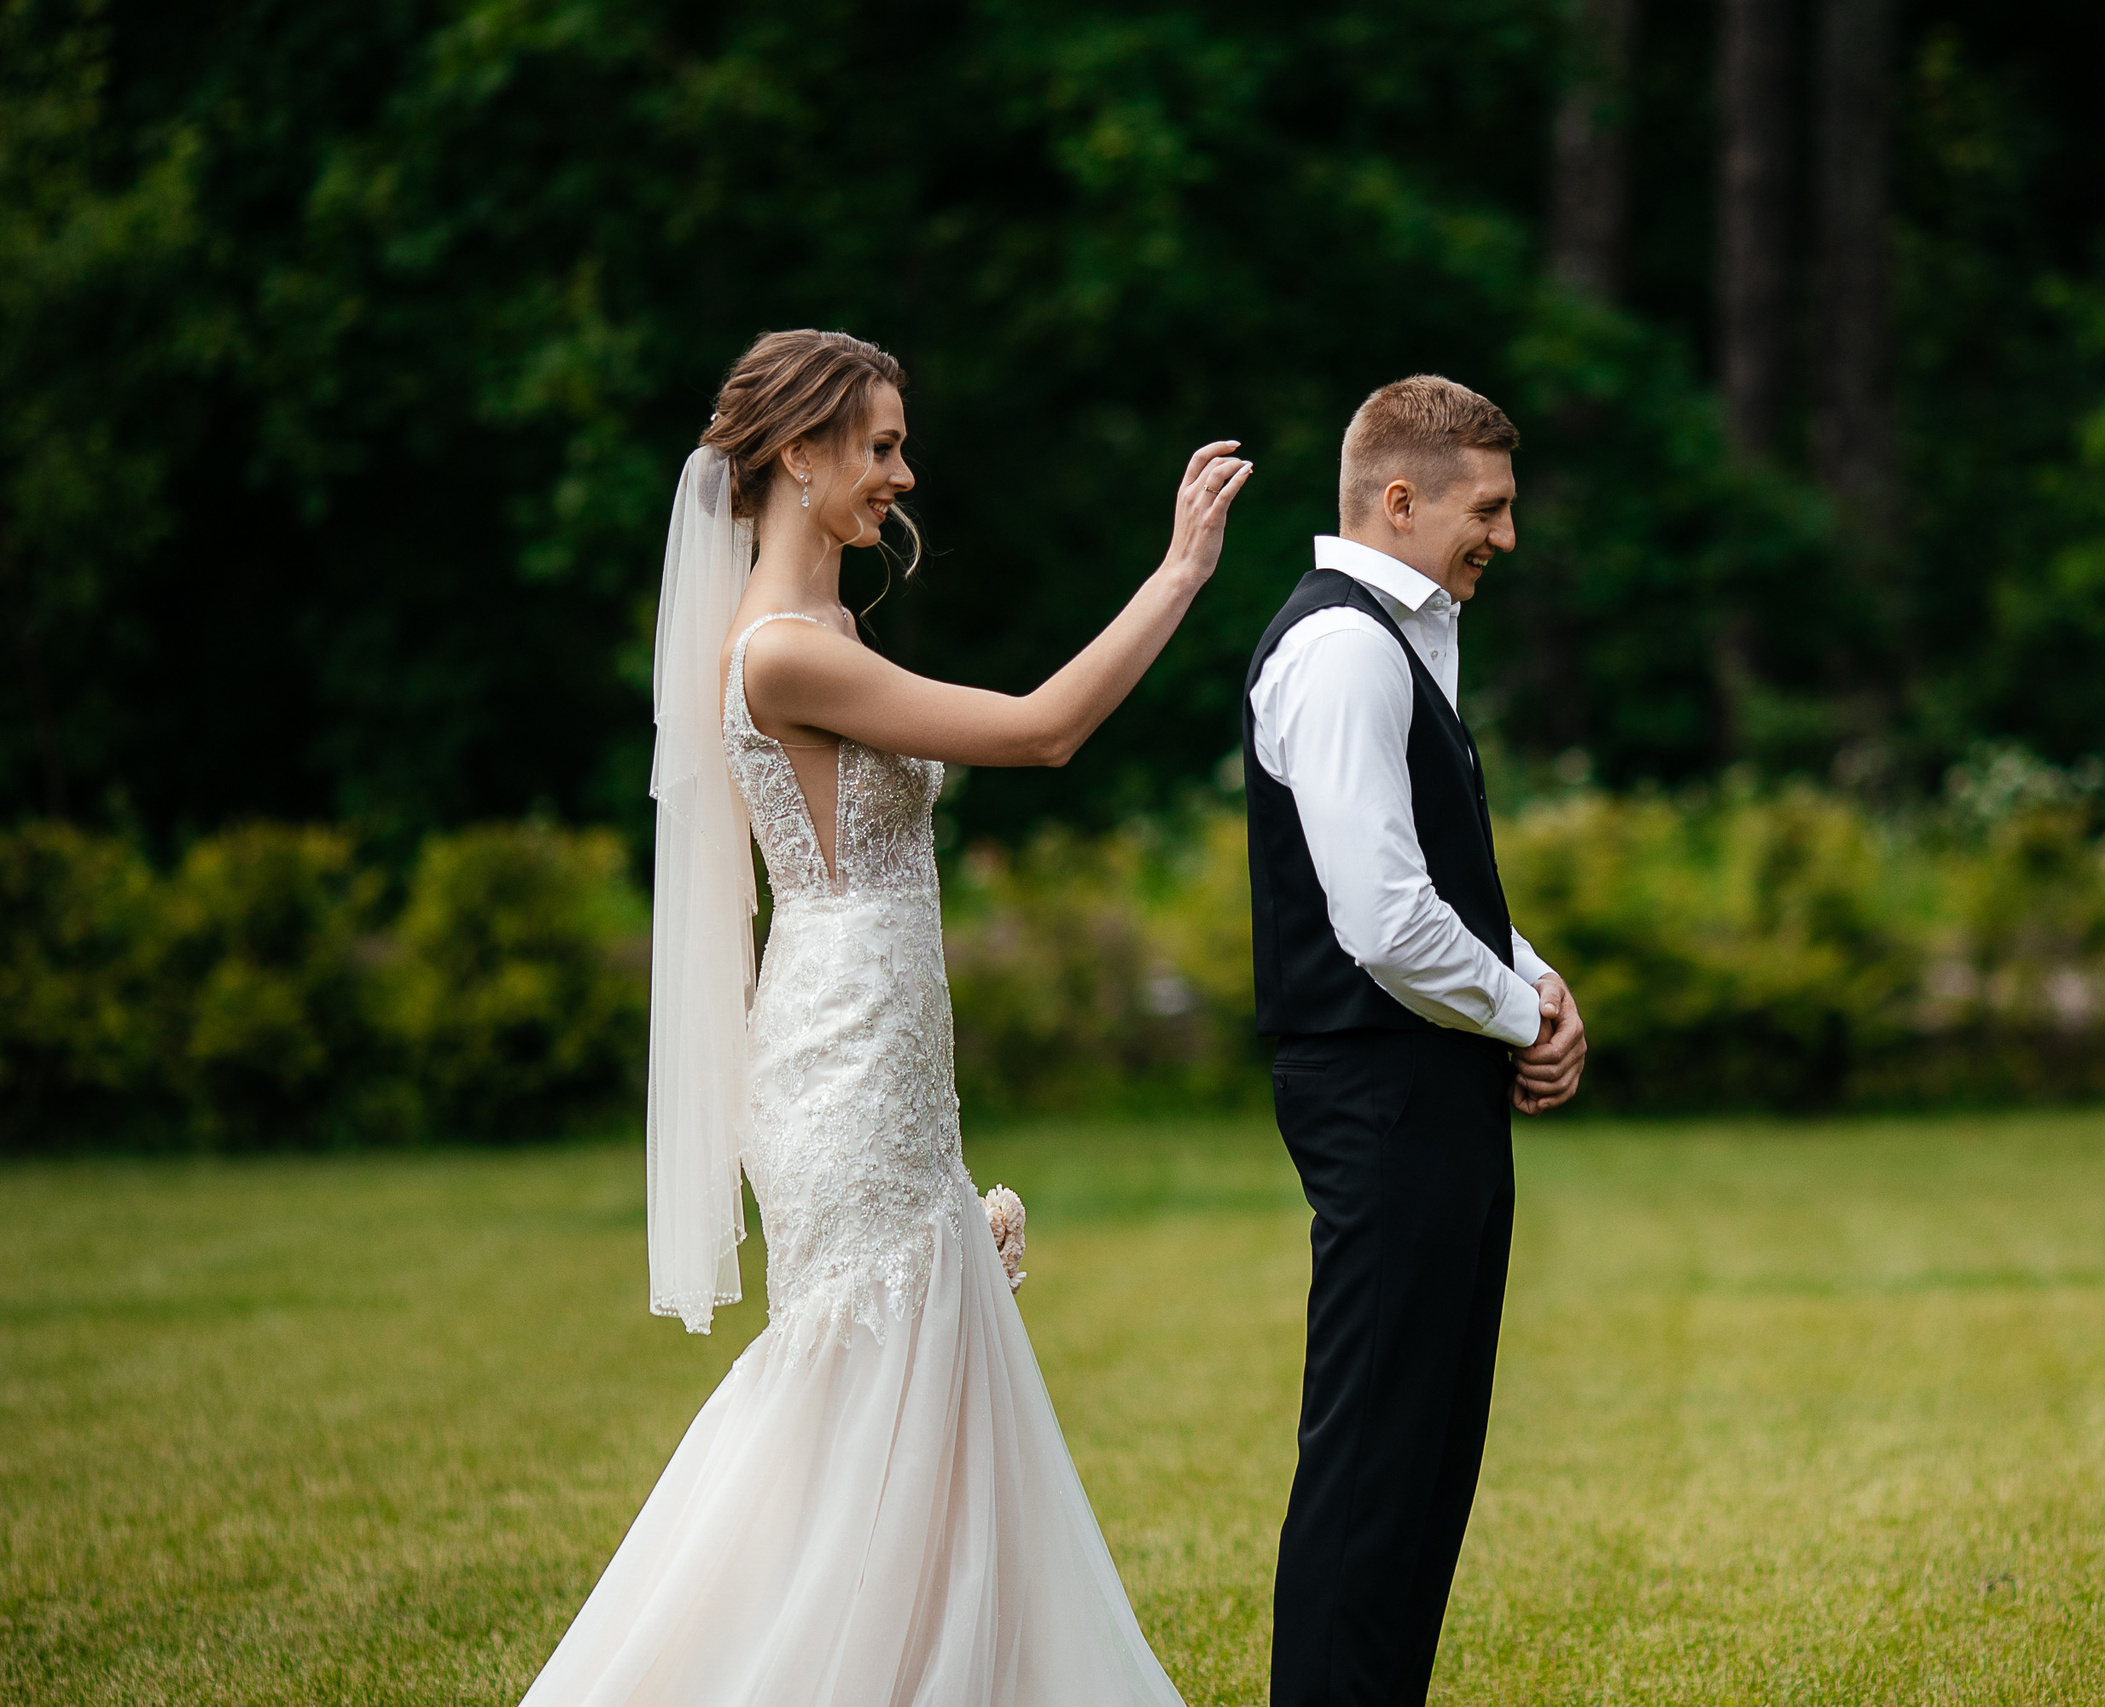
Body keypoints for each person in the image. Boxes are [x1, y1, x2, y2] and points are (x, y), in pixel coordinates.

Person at [518, 329, 1251, 1707]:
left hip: (880, 1049)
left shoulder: (830, 635)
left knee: (906, 1402)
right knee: (855, 1392)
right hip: (845, 1063)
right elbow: (1040, 731)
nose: (903, 474)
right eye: (880, 445)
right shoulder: (787, 652)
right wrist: (1177, 576)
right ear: (797, 453)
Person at [1242, 375, 1588, 1707]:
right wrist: (1522, 1016)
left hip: (1425, 1082)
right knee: (1376, 1458)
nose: (1504, 536)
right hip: (1376, 1089)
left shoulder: (1403, 637)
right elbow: (1383, 920)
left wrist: (1539, 988)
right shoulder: (1341, 648)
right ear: (1402, 499)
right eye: (1488, 509)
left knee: (1429, 1456)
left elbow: (1439, 877)